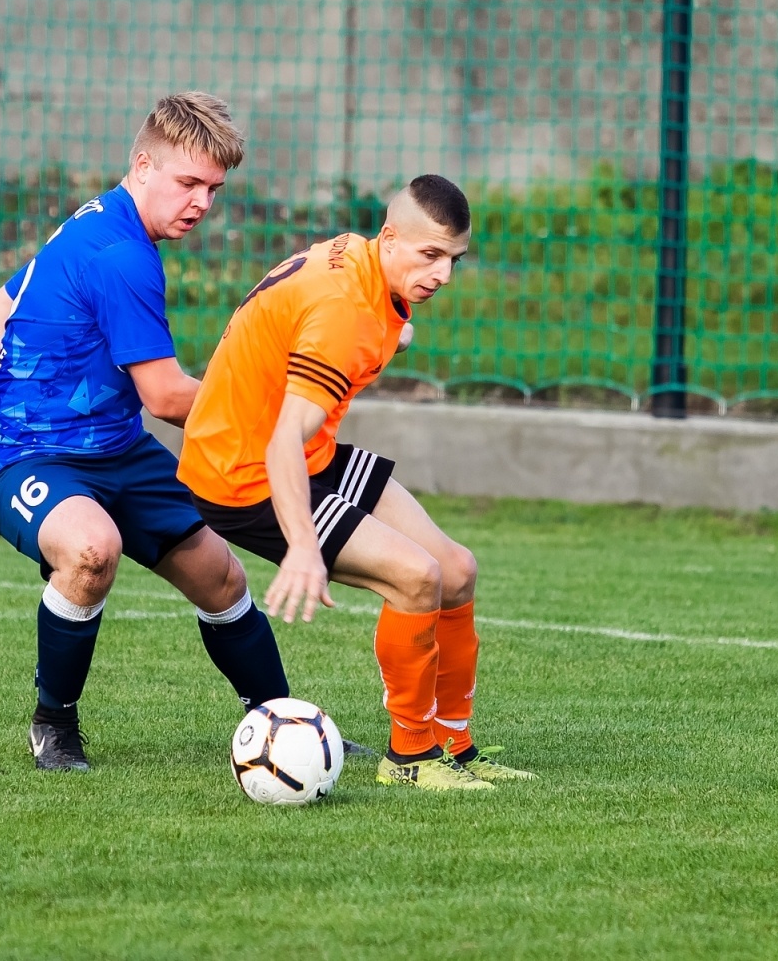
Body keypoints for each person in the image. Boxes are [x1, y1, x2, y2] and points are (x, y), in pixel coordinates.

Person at [178, 175, 535, 791]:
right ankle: (411, 760)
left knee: (455, 568)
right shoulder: (345, 314)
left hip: (303, 452)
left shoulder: (362, 261)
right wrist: (302, 548)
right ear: (391, 238)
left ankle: (455, 745)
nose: (444, 274)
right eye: (430, 256)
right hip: (245, 472)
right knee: (417, 577)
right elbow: (283, 439)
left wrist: (398, 328)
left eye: (455, 259)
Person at [0, 92, 289, 772]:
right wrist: (277, 420)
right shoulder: (122, 254)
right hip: (23, 458)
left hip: (117, 450)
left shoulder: (99, 219)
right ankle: (53, 725)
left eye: (214, 188)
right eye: (189, 183)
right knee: (91, 551)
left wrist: (17, 376)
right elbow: (169, 397)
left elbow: (0, 303)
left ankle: (280, 725)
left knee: (221, 580)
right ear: (143, 165)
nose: (202, 202)